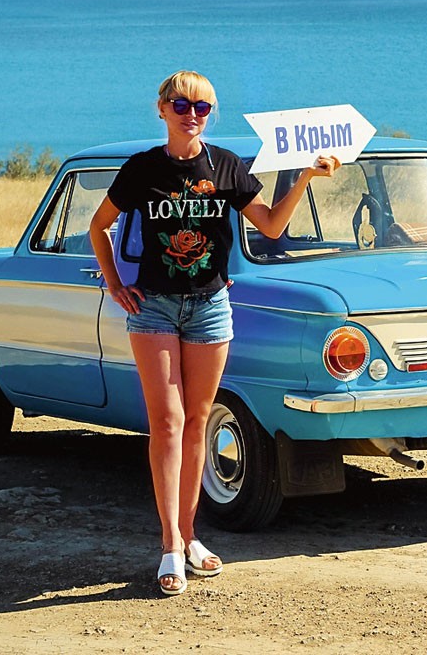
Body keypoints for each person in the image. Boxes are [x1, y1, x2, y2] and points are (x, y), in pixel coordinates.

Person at [89, 70, 340, 596]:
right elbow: (99, 225)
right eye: (182, 105)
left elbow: (270, 225)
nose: (192, 115)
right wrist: (114, 284)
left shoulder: (225, 165)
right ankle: (168, 546)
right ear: (162, 108)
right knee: (167, 422)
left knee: (197, 423)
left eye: (202, 107)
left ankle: (189, 537)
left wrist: (305, 178)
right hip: (153, 309)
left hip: (209, 307)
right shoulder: (141, 169)